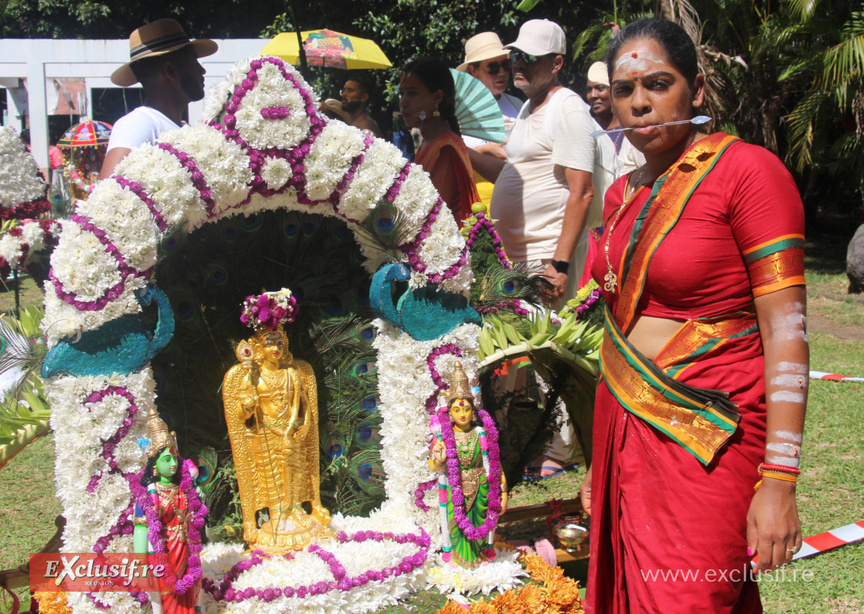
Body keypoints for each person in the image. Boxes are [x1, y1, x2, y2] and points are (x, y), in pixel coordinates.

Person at [580, 18, 807, 613]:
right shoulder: (621, 196)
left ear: (697, 89)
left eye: (658, 84)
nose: (639, 103)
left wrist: (779, 480)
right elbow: (618, 328)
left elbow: (786, 332)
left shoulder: (748, 173)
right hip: (624, 428)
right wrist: (598, 461)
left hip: (707, 438)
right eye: (624, 90)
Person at [469, 19, 606, 305]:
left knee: (543, 332)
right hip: (518, 257)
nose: (519, 64)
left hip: (547, 258)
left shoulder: (567, 107)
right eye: (516, 56)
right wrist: (461, 150)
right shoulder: (527, 108)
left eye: (530, 57)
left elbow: (582, 190)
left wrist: (559, 265)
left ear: (556, 63)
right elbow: (512, 173)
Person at [222, 288, 331, 552]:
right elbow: (241, 417)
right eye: (270, 343)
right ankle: (278, 516)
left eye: (279, 342)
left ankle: (296, 510)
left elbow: (305, 408)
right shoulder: (252, 376)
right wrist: (247, 407)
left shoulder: (293, 374)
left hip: (292, 434)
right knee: (271, 478)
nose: (275, 348)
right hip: (266, 436)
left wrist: (298, 430)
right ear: (258, 348)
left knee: (296, 473)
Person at [99, 19, 217, 179]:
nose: (202, 70)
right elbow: (107, 191)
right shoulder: (139, 124)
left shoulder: (177, 127)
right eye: (193, 62)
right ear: (171, 71)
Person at [430, 362, 507, 568]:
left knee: (480, 521)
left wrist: (503, 491)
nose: (462, 414)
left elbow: (495, 464)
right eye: (457, 409)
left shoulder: (482, 434)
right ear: (450, 413)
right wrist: (439, 459)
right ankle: (458, 558)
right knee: (456, 524)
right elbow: (433, 467)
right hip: (456, 488)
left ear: (473, 411)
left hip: (481, 486)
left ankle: (480, 556)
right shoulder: (443, 437)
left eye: (466, 409)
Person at [134, 407, 206, 614]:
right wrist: (141, 562)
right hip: (163, 552)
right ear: (154, 465)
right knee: (166, 593)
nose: (173, 463)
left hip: (186, 548)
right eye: (167, 460)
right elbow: (141, 528)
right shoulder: (148, 495)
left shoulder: (184, 488)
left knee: (190, 591)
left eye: (174, 458)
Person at [400, 57, 480, 223]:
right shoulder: (428, 142)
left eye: (412, 93)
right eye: (402, 94)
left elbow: (432, 214)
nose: (403, 102)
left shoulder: (445, 148)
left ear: (437, 98)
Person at [456, 32, 523, 205]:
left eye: (506, 65)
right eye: (493, 67)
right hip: (477, 205)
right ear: (474, 71)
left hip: (516, 199)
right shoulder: (456, 111)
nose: (502, 73)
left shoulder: (517, 105)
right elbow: (447, 160)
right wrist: (482, 152)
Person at [586, 60, 644, 179]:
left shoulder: (632, 128)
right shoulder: (587, 128)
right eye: (589, 90)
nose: (593, 95)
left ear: (614, 91)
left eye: (600, 88)